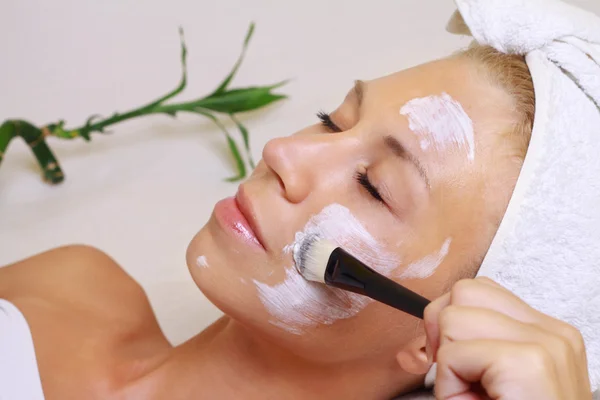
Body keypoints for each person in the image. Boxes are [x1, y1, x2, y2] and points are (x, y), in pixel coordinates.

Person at [2, 3, 599, 399]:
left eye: (373, 186)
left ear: (434, 337)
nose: (284, 151)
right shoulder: (72, 286)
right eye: (331, 121)